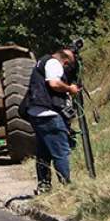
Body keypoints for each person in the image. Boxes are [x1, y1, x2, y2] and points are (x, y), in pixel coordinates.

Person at [24, 47, 80, 193]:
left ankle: (44, 186)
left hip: (36, 113)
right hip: (48, 114)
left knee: (43, 153)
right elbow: (54, 84)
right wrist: (70, 89)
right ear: (65, 62)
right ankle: (67, 188)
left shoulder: (42, 61)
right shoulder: (54, 63)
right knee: (61, 152)